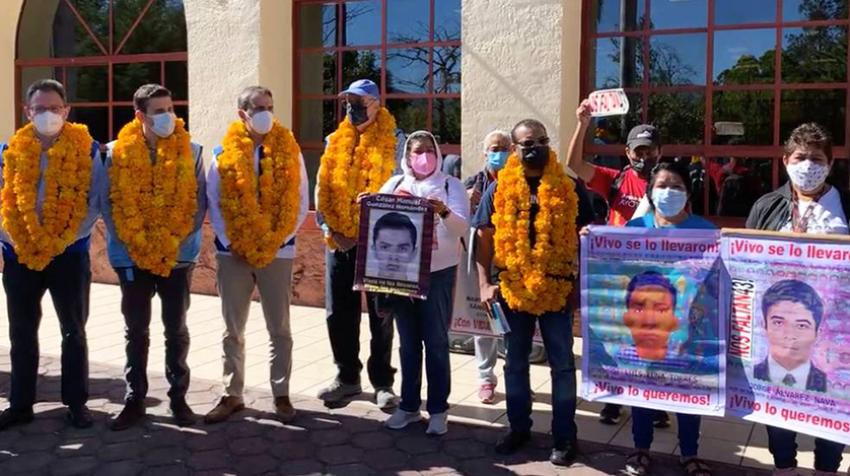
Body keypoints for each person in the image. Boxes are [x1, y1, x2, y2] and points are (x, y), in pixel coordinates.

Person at [474, 119, 594, 466]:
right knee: (514, 362)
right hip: (514, 290)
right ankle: (518, 428)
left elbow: (587, 236)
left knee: (561, 364)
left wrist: (580, 285)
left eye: (540, 141)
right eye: (526, 143)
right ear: (514, 148)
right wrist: (483, 282)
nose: (534, 147)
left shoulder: (568, 186)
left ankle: (564, 437)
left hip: (558, 287)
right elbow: (484, 236)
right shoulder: (498, 189)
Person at [0, 79, 105, 430]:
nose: (47, 114)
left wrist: (59, 240)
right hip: (20, 257)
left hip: (69, 255)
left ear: (67, 110)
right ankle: (20, 405)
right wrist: (17, 241)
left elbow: (94, 202)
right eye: (39, 108)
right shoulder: (8, 152)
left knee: (73, 331)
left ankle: (76, 404)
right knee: (21, 332)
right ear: (27, 112)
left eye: (54, 108)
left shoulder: (88, 150)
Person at [101, 84, 206, 430]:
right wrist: (136, 244)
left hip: (178, 256)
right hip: (130, 256)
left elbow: (198, 203)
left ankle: (179, 399)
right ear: (140, 115)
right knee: (136, 330)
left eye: (170, 109)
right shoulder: (114, 152)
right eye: (159, 111)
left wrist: (171, 243)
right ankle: (135, 400)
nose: (168, 117)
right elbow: (109, 204)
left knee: (175, 328)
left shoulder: (191, 150)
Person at [746, 122, 848, 475]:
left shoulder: (844, 205)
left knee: (833, 405)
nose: (809, 165)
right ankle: (784, 467)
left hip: (835, 330)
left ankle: (826, 468)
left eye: (817, 158)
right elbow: (744, 261)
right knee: (779, 401)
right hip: (779, 328)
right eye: (801, 157)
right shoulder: (766, 206)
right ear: (786, 159)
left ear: (830, 164)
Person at [204, 85, 309, 424]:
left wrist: (281, 238)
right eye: (259, 107)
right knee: (232, 327)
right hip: (231, 252)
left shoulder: (290, 151)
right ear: (242, 114)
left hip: (279, 250)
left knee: (279, 327)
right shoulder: (223, 153)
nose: (266, 112)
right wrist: (229, 239)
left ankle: (281, 394)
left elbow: (301, 200)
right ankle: (232, 394)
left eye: (270, 105)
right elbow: (214, 201)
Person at [568, 99, 668, 427]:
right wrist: (582, 123)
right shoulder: (614, 179)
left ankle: (653, 403)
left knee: (651, 341)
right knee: (614, 340)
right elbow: (573, 164)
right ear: (627, 153)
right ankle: (613, 399)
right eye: (638, 151)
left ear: (659, 152)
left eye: (649, 151)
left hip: (655, 275)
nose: (644, 157)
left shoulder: (671, 184)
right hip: (615, 274)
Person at [620, 160, 715, 476]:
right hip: (645, 330)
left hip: (689, 329)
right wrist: (590, 237)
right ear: (649, 191)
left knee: (688, 389)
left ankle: (690, 453)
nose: (668, 192)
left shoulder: (706, 231)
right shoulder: (634, 230)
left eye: (676, 186)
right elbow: (612, 267)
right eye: (662, 185)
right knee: (642, 387)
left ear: (688, 193)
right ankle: (640, 449)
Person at [315, 79, 406, 409]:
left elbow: (403, 191)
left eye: (360, 101)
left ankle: (382, 381)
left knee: (381, 314)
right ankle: (347, 377)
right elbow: (321, 188)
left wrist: (369, 230)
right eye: (348, 102)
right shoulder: (333, 140)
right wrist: (330, 227)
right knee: (338, 312)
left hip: (380, 243)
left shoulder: (398, 143)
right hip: (339, 241)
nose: (352, 108)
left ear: (377, 105)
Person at [379, 130, 470, 436]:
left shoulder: (450, 185)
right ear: (407, 156)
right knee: (407, 344)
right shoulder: (395, 183)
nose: (423, 156)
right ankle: (408, 406)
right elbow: (377, 215)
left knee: (436, 342)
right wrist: (366, 203)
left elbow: (461, 227)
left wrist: (442, 210)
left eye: (429, 150)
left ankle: (438, 410)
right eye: (416, 151)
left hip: (438, 273)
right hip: (402, 275)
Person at [465, 129, 511, 404]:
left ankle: (517, 376)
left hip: (513, 264)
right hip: (484, 263)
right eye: (495, 148)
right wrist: (467, 200)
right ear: (485, 153)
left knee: (515, 326)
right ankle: (486, 378)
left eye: (505, 148)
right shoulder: (474, 183)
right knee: (486, 322)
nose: (500, 153)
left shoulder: (521, 180)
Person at [753, 280, 826, 393]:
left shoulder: (830, 385)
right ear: (764, 327)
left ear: (817, 334)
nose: (789, 335)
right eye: (778, 323)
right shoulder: (744, 375)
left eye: (801, 326)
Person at [622, 271, 680, 362]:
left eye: (661, 310)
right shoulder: (612, 363)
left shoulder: (688, 365)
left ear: (675, 321)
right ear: (626, 319)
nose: (649, 321)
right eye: (638, 310)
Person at [368, 211, 419, 281]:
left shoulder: (423, 289)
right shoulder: (360, 284)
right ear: (374, 250)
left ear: (414, 253)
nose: (393, 257)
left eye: (402, 248)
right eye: (385, 247)